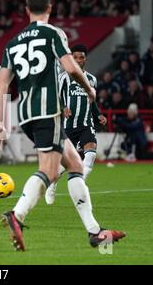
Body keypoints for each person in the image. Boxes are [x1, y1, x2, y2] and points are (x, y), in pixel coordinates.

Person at [0, 0, 125, 251]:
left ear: (26, 9)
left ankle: (94, 232)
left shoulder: (12, 43)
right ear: (51, 8)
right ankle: (17, 215)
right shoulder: (53, 33)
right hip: (47, 110)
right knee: (50, 170)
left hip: (27, 112)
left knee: (75, 165)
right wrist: (88, 88)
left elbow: (1, 86)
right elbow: (69, 67)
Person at [45, 44, 107, 204]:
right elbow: (54, 98)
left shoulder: (92, 79)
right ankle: (51, 185)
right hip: (68, 127)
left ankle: (80, 187)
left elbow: (92, 102)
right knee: (64, 164)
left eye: (82, 57)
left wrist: (98, 114)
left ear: (86, 59)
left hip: (86, 124)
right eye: (76, 57)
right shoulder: (63, 77)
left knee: (91, 153)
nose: (79, 60)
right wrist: (63, 107)